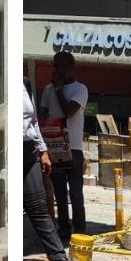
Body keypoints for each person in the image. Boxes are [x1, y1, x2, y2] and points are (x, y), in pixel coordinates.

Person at [40, 51, 89, 240]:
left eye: (61, 66)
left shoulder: (80, 89)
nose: (57, 70)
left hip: (74, 149)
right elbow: (43, 115)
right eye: (55, 66)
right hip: (54, 148)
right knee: (59, 193)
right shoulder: (47, 90)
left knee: (75, 193)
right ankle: (63, 228)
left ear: (70, 68)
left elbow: (69, 112)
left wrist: (59, 89)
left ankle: (80, 229)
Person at [23, 76, 68, 261]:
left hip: (28, 150)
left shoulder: (24, 83)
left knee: (37, 204)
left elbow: (33, 121)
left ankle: (58, 257)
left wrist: (42, 150)